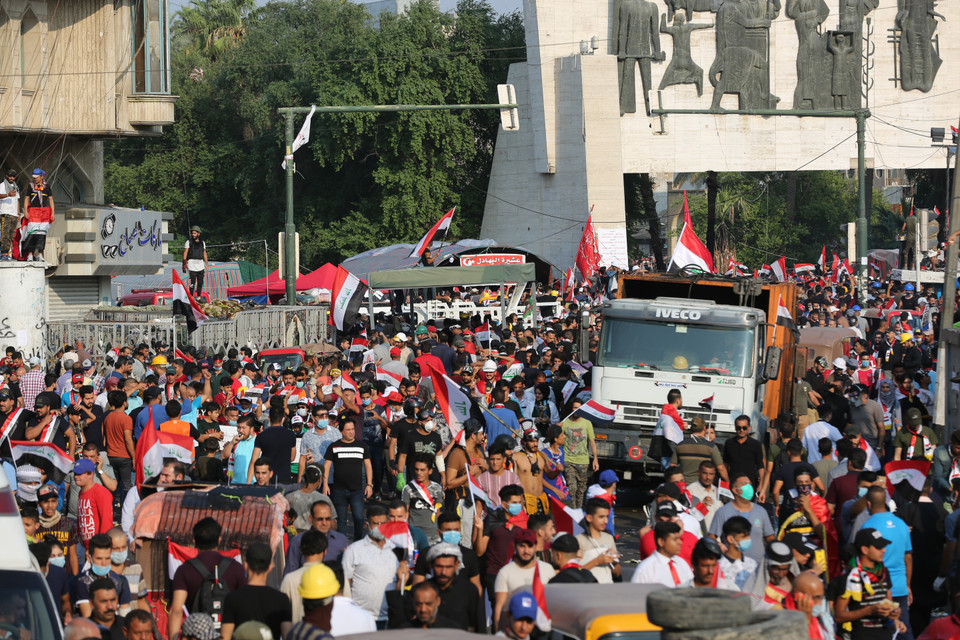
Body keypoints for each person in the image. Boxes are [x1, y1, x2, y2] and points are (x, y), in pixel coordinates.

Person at [168, 518, 247, 639]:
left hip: (197, 635)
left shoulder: (185, 570)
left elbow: (176, 610)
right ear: (219, 540)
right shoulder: (236, 568)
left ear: (194, 541)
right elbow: (243, 607)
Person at [860, 486, 914, 639]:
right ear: (885, 501)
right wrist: (908, 584)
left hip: (877, 589)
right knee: (903, 631)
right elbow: (908, 558)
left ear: (868, 504)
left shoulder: (867, 527)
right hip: (900, 587)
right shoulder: (902, 525)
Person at [834, 528, 907, 639]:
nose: (884, 550)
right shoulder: (851, 578)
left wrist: (895, 615)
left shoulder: (883, 572)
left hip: (886, 635)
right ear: (865, 550)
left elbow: (889, 602)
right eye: (878, 547)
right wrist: (869, 610)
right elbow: (839, 616)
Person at [341, 503, 406, 626]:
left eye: (383, 524)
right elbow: (345, 583)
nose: (380, 527)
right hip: (361, 617)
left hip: (389, 618)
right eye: (375, 524)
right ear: (367, 525)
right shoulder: (354, 550)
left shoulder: (398, 550)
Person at [220, 542, 292, 640]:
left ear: (245, 565)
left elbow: (225, 637)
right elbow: (287, 636)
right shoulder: (281, 599)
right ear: (270, 567)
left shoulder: (232, 598)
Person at [492, 528, 555, 629]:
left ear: (535, 547)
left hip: (543, 630)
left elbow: (553, 603)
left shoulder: (547, 569)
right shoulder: (505, 573)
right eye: (522, 546)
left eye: (530, 546)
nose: (526, 551)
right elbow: (499, 607)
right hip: (516, 630)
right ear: (515, 546)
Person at [708, 473, 775, 568]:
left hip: (758, 567)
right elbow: (711, 538)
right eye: (745, 484)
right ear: (735, 490)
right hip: (732, 567)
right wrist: (719, 545)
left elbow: (770, 538)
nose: (749, 487)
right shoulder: (723, 512)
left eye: (750, 484)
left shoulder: (761, 511)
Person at [323, 417, 373, 540]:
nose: (351, 432)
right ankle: (342, 546)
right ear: (341, 431)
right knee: (341, 521)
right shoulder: (334, 447)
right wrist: (325, 484)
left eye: (352, 429)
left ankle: (357, 541)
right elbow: (327, 466)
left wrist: (369, 484)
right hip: (339, 490)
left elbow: (368, 465)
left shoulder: (362, 446)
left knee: (359, 518)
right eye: (348, 430)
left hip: (357, 490)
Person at [71, 534, 133, 619]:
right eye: (99, 559)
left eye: (107, 558)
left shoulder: (121, 581)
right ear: (89, 557)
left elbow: (125, 615)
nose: (104, 563)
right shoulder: (81, 581)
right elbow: (88, 616)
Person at [285, 501, 349, 574]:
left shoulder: (341, 541)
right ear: (311, 519)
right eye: (320, 519)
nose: (324, 523)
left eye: (327, 519)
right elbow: (290, 572)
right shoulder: (298, 542)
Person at [630, 521, 693, 587]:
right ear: (661, 542)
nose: (680, 542)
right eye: (675, 539)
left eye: (679, 538)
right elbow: (635, 594)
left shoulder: (682, 563)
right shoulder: (646, 569)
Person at [561, 398, 599, 508]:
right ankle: (573, 512)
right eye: (574, 408)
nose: (576, 410)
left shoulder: (587, 423)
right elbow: (557, 438)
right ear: (571, 408)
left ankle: (579, 511)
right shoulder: (565, 422)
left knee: (581, 489)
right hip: (568, 460)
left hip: (583, 461)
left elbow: (592, 441)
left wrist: (595, 459)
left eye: (579, 408)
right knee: (572, 488)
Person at [36, 484, 79, 575]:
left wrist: (75, 578)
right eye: (46, 502)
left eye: (53, 501)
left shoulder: (68, 524)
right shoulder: (36, 526)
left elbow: (73, 555)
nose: (50, 506)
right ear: (39, 504)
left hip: (65, 574)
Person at [401, 453, 444, 544]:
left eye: (422, 470)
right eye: (417, 469)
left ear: (430, 471)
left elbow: (438, 512)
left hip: (433, 535)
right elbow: (405, 513)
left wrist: (440, 531)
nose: (419, 473)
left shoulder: (437, 488)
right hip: (415, 534)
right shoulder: (408, 489)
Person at [576, 497, 620, 583]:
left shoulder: (609, 538)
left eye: (607, 517)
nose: (606, 521)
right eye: (601, 517)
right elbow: (575, 573)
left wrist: (614, 561)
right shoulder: (578, 540)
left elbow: (617, 573)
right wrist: (597, 561)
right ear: (589, 518)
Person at [249, 406, 297, 485]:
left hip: (266, 479)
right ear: (283, 419)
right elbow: (292, 457)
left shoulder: (262, 436)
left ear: (269, 418)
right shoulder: (291, 435)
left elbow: (254, 460)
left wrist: (248, 483)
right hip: (284, 478)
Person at [672, 416, 728, 484]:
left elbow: (672, 467)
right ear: (704, 428)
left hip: (684, 486)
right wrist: (728, 482)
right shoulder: (711, 446)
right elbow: (721, 468)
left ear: (691, 428)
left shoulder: (680, 445)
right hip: (703, 486)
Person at [74, 458, 114, 550]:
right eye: (75, 473)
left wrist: (100, 547)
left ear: (91, 474)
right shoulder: (81, 492)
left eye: (80, 474)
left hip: (98, 547)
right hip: (86, 547)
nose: (76, 477)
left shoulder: (100, 492)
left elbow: (106, 523)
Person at [722, 415, 765, 493]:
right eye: (739, 428)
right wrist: (726, 481)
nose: (741, 430)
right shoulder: (729, 443)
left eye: (744, 428)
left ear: (749, 428)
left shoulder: (756, 444)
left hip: (750, 484)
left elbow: (760, 466)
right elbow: (725, 464)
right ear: (735, 428)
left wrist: (761, 484)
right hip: (733, 485)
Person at [513, 426, 548, 515]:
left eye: (536, 441)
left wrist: (558, 470)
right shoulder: (516, 456)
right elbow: (513, 482)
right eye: (532, 441)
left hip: (541, 499)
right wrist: (519, 501)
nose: (535, 444)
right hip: (525, 500)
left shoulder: (542, 456)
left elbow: (550, 475)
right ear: (524, 442)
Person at [21, 167, 53, 262]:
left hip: (44, 212)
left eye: (37, 177)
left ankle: (40, 253)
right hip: (33, 212)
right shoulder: (31, 186)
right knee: (32, 233)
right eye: (34, 177)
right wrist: (26, 211)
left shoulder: (47, 187)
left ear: (42, 176)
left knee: (42, 234)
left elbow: (51, 199)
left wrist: (52, 212)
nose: (35, 178)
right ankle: (30, 254)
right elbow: (26, 198)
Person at [718, 516, 758, 591]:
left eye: (748, 536)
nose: (748, 539)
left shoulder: (753, 564)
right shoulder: (719, 566)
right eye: (743, 537)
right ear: (730, 539)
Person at [477, 443, 521, 509]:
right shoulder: (481, 479)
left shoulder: (513, 478)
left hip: (508, 516)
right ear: (488, 459)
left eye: (498, 459)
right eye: (492, 459)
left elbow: (519, 498)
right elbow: (479, 503)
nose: (495, 462)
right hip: (489, 517)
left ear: (504, 460)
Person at [688, 460, 721, 530]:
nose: (708, 477)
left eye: (711, 474)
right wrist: (702, 506)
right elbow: (688, 518)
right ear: (698, 473)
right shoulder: (690, 491)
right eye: (705, 473)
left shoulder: (719, 492)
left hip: (717, 537)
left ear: (715, 475)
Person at [182, 225, 208, 297]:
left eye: (195, 233)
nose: (193, 235)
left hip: (200, 264)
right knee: (192, 282)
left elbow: (204, 253)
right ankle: (191, 296)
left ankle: (199, 296)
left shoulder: (202, 242)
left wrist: (207, 264)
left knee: (200, 282)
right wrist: (184, 263)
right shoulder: (188, 242)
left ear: (198, 234)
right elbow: (185, 252)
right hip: (191, 264)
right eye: (192, 233)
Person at [0, 170, 18, 260]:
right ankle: (3, 253)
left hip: (14, 213)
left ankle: (8, 254)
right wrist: (8, 194)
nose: (12, 178)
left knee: (11, 235)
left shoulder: (15, 186)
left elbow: (17, 199)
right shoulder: (2, 185)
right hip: (5, 212)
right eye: (10, 176)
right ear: (7, 175)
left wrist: (18, 213)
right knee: (5, 234)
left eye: (13, 176)